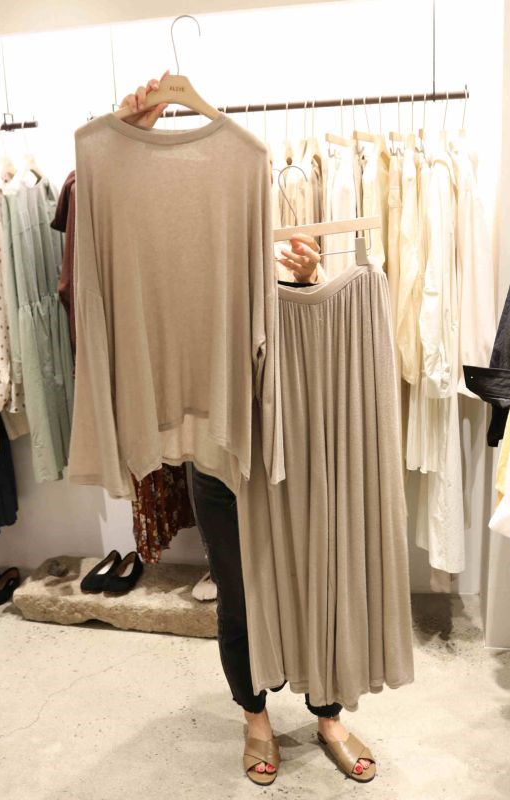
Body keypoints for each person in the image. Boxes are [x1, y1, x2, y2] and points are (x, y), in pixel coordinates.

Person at [119, 77, 376, 785]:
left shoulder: (268, 228)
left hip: (291, 448)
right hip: (219, 455)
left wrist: (309, 280)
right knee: (238, 594)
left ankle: (327, 712)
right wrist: (130, 136)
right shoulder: (173, 252)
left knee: (316, 578)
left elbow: (302, 341)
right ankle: (255, 715)